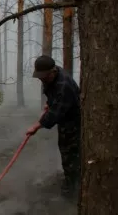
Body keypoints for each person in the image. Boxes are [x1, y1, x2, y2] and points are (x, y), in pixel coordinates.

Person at [26, 55, 81, 199]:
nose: (41, 80)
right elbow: (53, 97)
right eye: (40, 77)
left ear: (53, 72)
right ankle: (72, 180)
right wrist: (50, 103)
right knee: (65, 150)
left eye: (43, 77)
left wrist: (36, 126)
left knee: (71, 154)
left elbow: (56, 114)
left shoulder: (64, 86)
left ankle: (73, 189)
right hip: (65, 119)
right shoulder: (51, 77)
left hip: (74, 123)